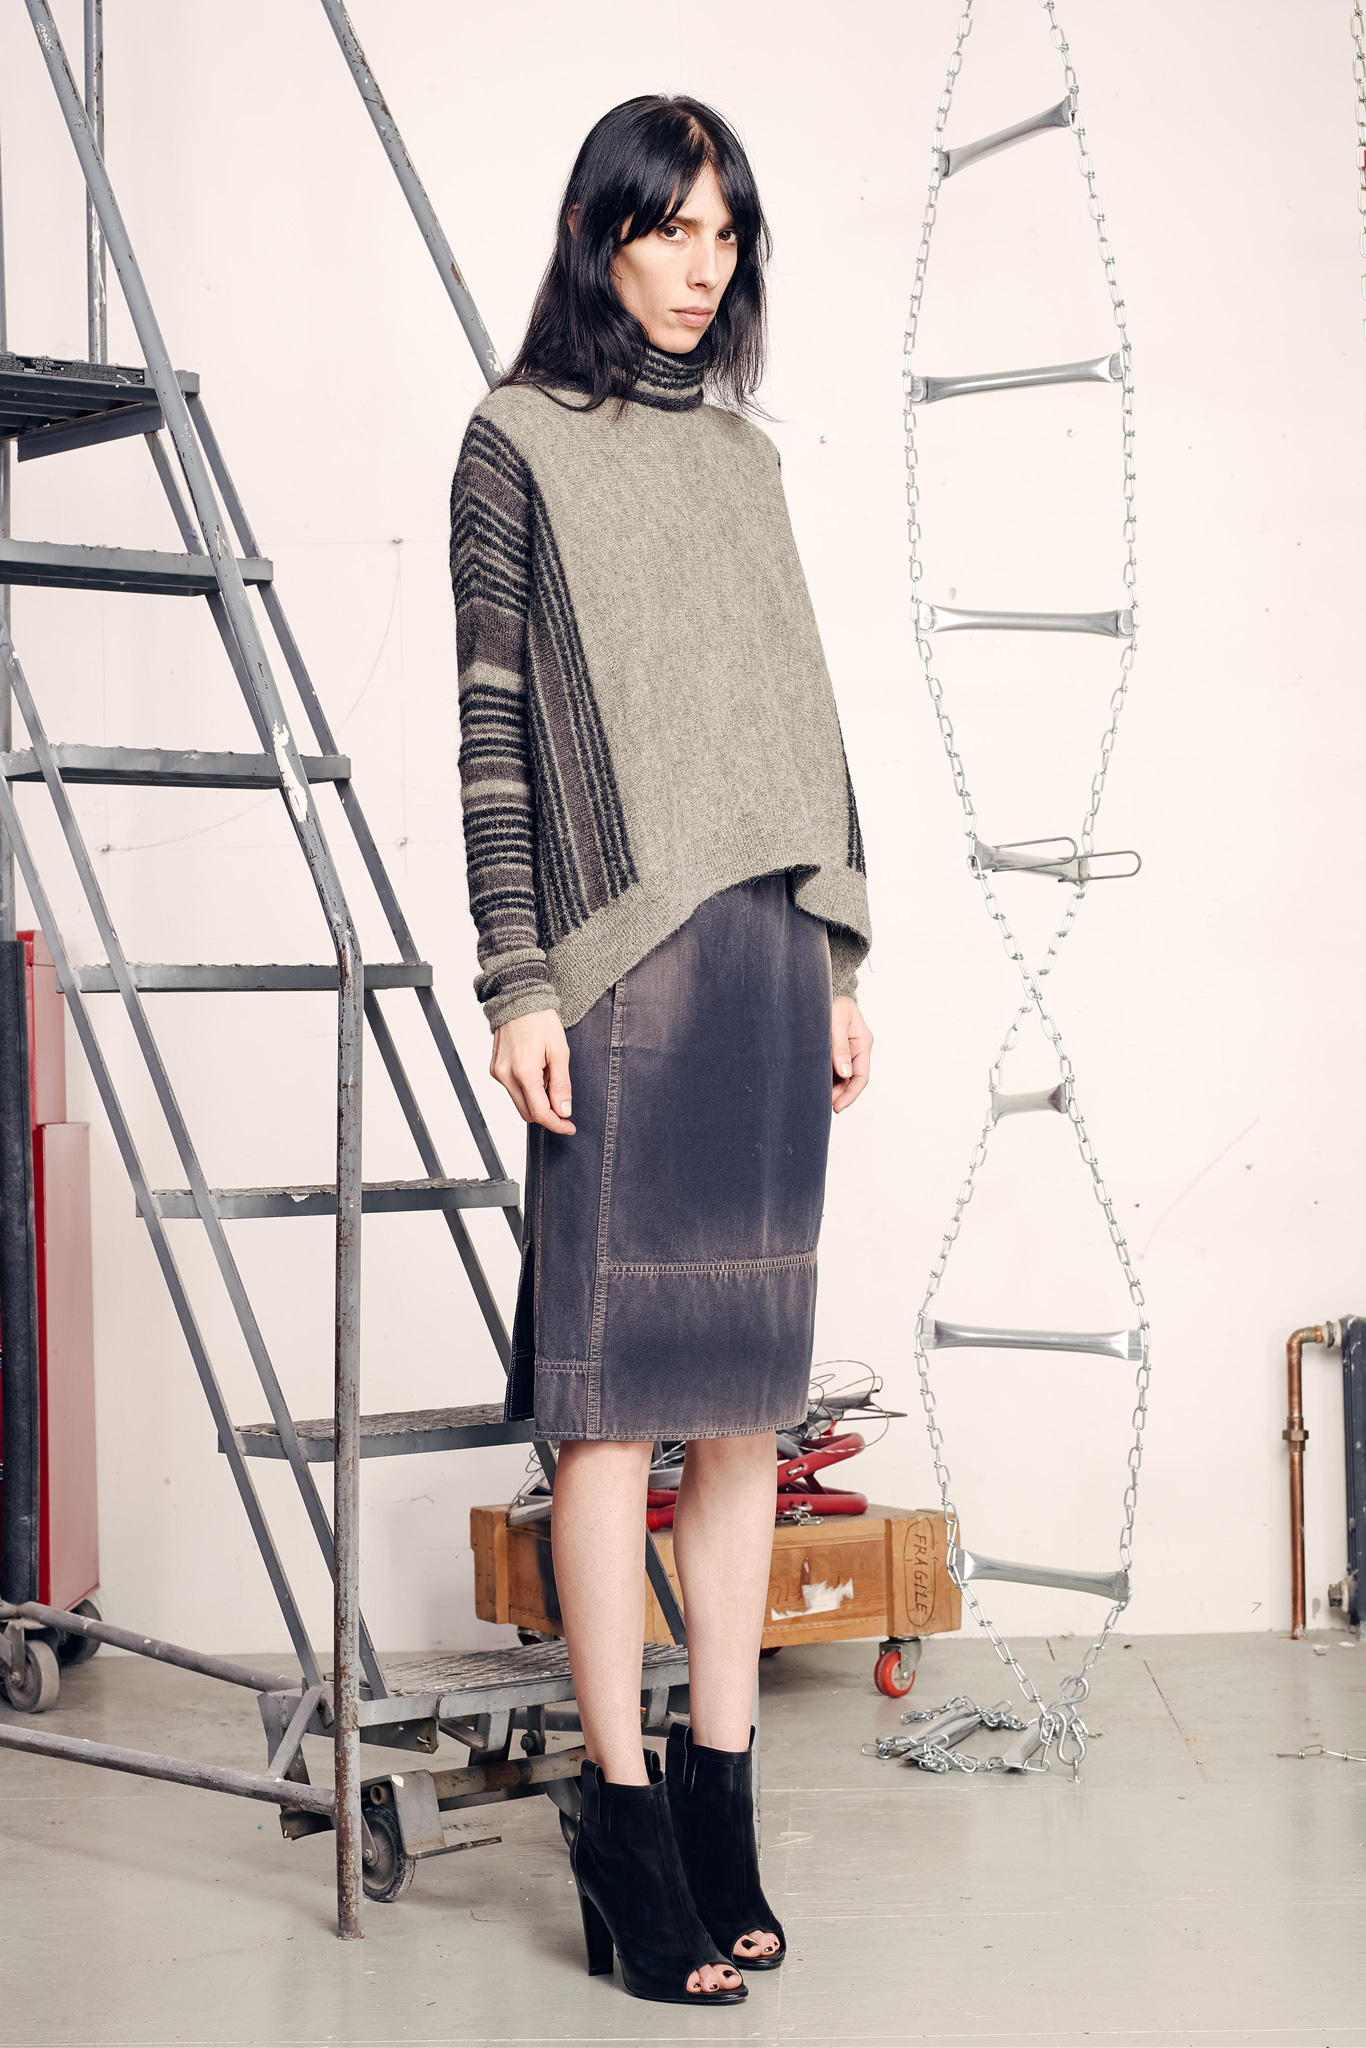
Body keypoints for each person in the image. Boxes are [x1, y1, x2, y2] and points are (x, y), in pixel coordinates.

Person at [449, 92, 872, 2008]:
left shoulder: (744, 459)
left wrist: (837, 949)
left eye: (725, 234)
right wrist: (517, 982)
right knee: (612, 1413)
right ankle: (620, 1823)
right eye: (669, 229)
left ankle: (718, 1799)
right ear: (597, 233)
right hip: (619, 966)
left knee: (741, 1409)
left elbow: (801, 706)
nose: (703, 268)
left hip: (769, 955)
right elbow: (491, 729)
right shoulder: (514, 441)